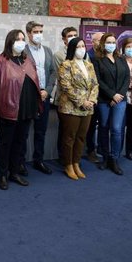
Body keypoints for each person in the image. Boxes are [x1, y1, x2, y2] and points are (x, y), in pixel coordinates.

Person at [0, 29, 41, 190]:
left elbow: (35, 81)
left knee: (19, 143)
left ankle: (14, 172)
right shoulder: (0, 61)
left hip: (26, 109)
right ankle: (3, 175)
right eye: (18, 39)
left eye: (23, 39)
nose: (21, 42)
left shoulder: (27, 60)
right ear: (10, 41)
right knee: (5, 144)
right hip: (7, 111)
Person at [58, 37, 98, 180]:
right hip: (71, 107)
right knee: (69, 137)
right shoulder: (66, 64)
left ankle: (76, 163)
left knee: (81, 137)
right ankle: (68, 165)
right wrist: (82, 101)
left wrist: (91, 100)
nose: (82, 49)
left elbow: (95, 84)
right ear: (72, 49)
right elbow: (66, 86)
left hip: (88, 107)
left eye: (83, 46)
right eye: (78, 46)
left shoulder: (89, 65)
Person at [92, 32, 129, 175]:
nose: (111, 45)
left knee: (116, 129)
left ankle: (114, 158)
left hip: (120, 99)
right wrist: (112, 95)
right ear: (103, 43)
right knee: (103, 127)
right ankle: (105, 157)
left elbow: (126, 77)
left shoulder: (121, 58)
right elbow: (98, 80)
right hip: (104, 100)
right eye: (108, 42)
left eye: (113, 42)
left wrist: (119, 95)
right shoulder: (97, 59)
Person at [23, 21, 56, 175]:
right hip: (29, 97)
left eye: (41, 31)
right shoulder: (22, 51)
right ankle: (20, 162)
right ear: (29, 33)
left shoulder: (48, 51)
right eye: (36, 31)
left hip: (44, 97)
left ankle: (38, 160)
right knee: (23, 132)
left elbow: (53, 72)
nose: (39, 34)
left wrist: (47, 91)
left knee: (40, 131)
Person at [53, 27, 78, 165]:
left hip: (81, 102)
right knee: (65, 130)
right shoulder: (59, 55)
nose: (73, 37)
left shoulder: (83, 54)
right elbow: (63, 78)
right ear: (64, 39)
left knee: (76, 132)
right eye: (70, 36)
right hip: (65, 98)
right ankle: (63, 158)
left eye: (75, 35)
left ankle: (75, 158)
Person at [85, 31, 104, 162]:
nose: (102, 42)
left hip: (105, 97)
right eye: (100, 40)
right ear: (93, 42)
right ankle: (91, 150)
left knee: (104, 124)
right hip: (93, 96)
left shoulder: (107, 55)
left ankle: (102, 148)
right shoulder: (89, 55)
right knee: (91, 126)